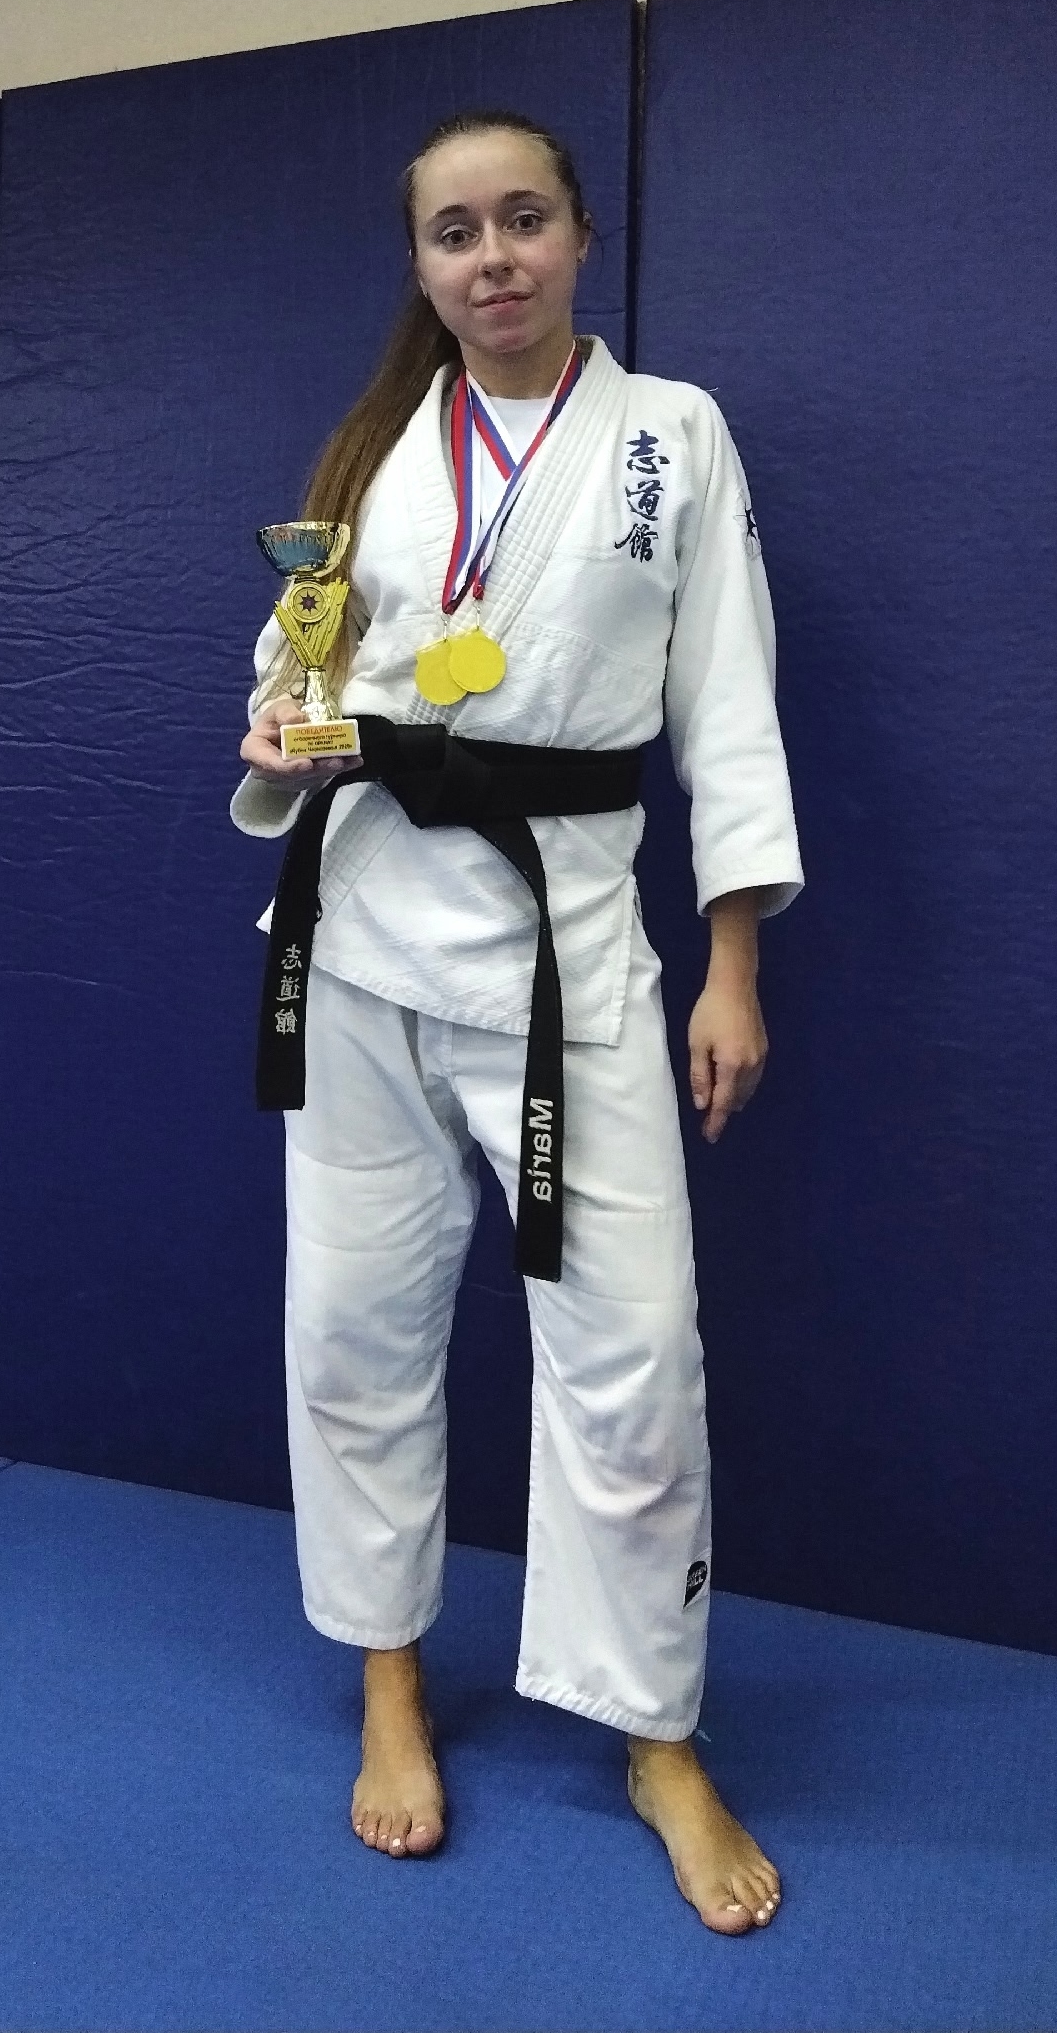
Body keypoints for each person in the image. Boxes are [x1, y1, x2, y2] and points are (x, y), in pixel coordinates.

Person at [231, 109, 801, 1934]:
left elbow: (729, 705)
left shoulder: (671, 436)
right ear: (421, 263)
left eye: (523, 219)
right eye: (456, 232)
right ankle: (390, 1679)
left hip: (568, 952)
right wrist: (276, 728)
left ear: (580, 235)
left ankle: (654, 1733)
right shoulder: (374, 448)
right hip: (363, 938)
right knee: (353, 1330)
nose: (494, 258)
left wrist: (731, 959)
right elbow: (302, 662)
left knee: (634, 1355)